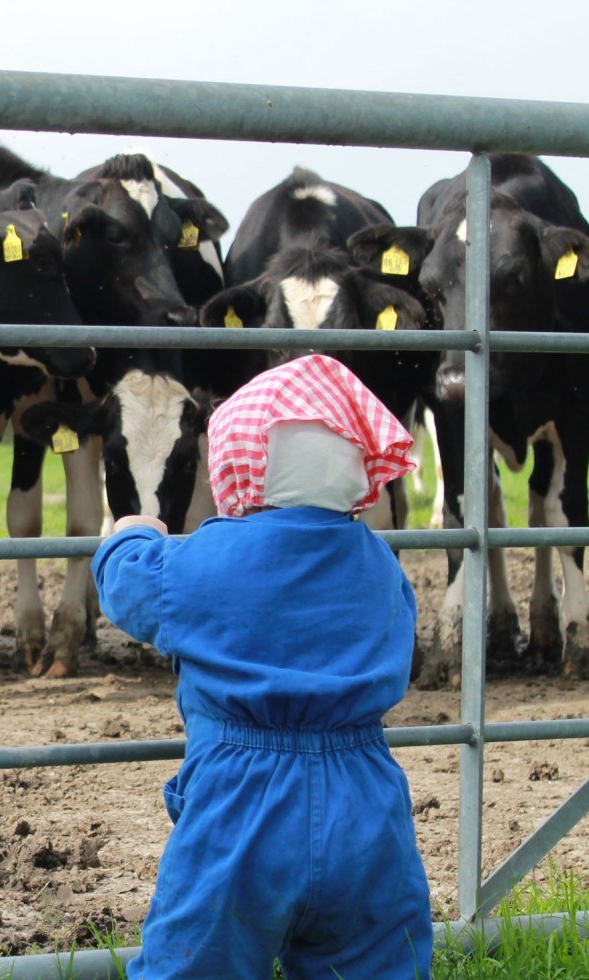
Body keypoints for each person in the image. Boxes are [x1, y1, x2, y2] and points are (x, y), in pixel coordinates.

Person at [93, 354, 433, 979]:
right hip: (366, 802)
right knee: (375, 963)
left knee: (197, 963)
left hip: (240, 808)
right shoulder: (380, 565)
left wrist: (130, 535)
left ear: (239, 465)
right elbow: (402, 650)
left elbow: (131, 589)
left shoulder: (210, 558)